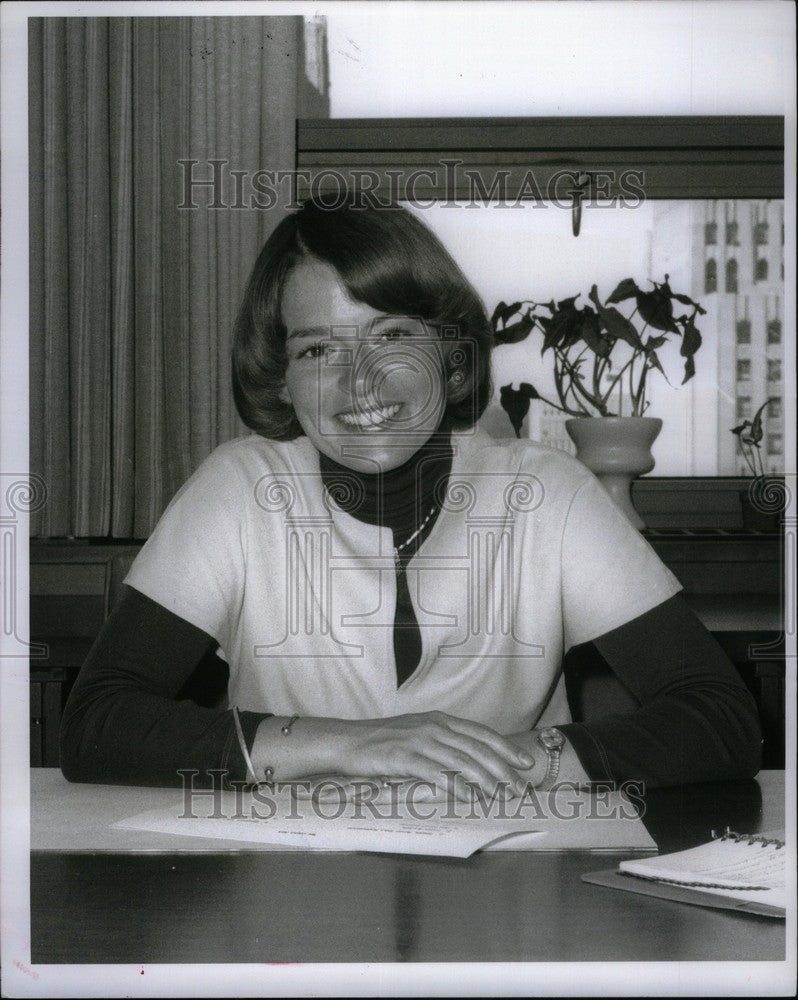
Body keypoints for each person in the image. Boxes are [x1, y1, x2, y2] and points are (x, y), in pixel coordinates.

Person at [60, 199, 761, 798]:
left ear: (451, 358)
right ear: (281, 381)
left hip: (512, 898)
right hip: (292, 905)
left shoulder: (546, 495)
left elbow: (721, 717)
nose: (361, 382)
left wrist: (503, 763)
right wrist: (350, 746)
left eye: (391, 335)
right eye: (316, 351)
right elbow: (97, 722)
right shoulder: (238, 492)